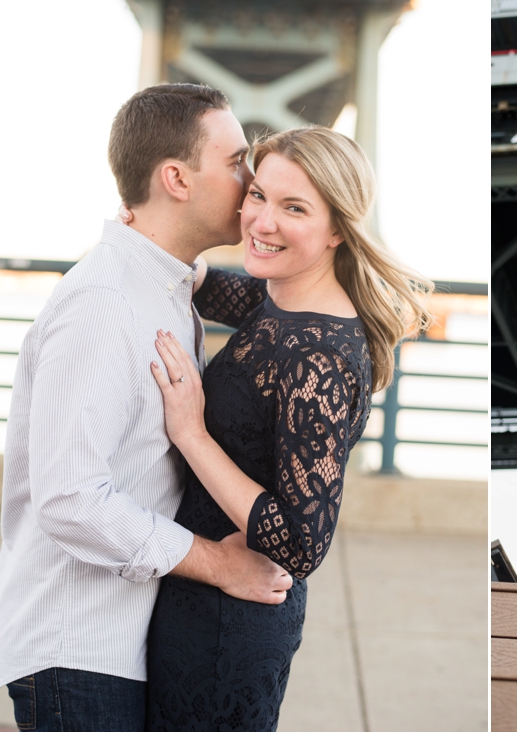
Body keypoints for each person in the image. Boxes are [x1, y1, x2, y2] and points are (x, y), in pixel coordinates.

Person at [0, 84, 292, 732]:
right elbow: (69, 497)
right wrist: (219, 564)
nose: (252, 183)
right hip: (76, 653)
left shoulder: (160, 286)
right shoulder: (106, 303)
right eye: (237, 161)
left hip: (113, 649)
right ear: (176, 179)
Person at [140, 125, 432, 731]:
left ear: (336, 232)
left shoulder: (319, 356)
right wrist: (145, 231)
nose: (261, 221)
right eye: (258, 195)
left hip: (227, 630)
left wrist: (192, 434)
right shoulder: (281, 302)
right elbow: (214, 288)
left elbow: (302, 543)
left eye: (293, 208)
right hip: (199, 595)